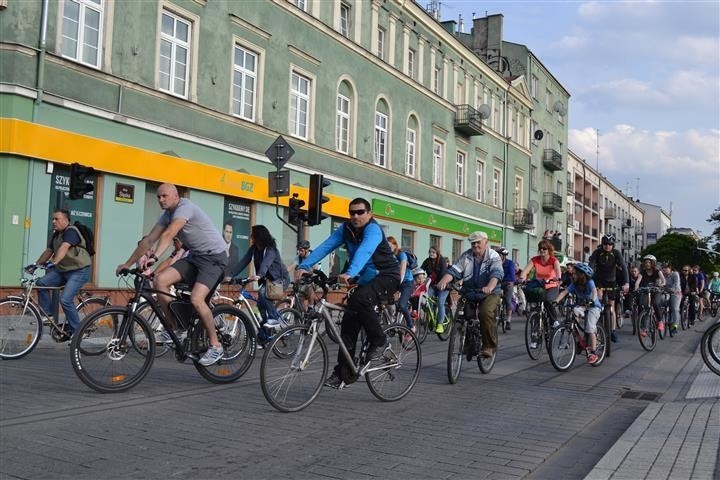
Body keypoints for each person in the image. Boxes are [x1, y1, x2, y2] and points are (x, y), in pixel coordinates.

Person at [116, 183, 228, 367]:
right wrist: (127, 264)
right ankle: (177, 328)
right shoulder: (166, 214)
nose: (160, 199)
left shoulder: (186, 208)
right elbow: (149, 240)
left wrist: (154, 257)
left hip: (214, 258)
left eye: (164, 196)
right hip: (195, 257)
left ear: (176, 196)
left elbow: (169, 234)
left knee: (197, 299)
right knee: (160, 280)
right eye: (158, 197)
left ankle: (216, 346)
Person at [296, 198, 400, 389]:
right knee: (348, 322)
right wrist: (304, 265)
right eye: (352, 212)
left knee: (360, 299)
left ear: (369, 214)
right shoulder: (346, 229)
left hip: (387, 276)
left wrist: (350, 273)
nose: (355, 216)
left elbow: (365, 251)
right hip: (366, 278)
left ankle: (380, 340)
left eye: (360, 212)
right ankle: (344, 373)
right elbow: (327, 246)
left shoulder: (373, 230)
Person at [25, 208, 92, 339]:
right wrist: (36, 265)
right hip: (63, 270)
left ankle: (77, 333)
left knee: (65, 299)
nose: (53, 221)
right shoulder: (56, 234)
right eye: (53, 219)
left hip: (79, 271)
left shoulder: (71, 231)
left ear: (66, 220)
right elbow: (49, 251)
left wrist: (54, 262)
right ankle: (48, 316)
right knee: (41, 283)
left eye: (57, 219)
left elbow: (64, 247)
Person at [436, 231, 503, 358]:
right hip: (470, 291)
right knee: (463, 315)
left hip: (490, 292)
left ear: (486, 242)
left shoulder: (493, 256)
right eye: (473, 243)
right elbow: (455, 270)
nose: (475, 245)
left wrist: (490, 286)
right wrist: (443, 281)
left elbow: (497, 273)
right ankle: (467, 342)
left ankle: (488, 345)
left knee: (485, 312)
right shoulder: (466, 256)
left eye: (478, 242)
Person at [230, 225, 288, 328]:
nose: (251, 236)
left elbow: (266, 263)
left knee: (262, 293)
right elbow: (244, 261)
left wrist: (259, 275)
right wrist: (230, 275)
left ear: (259, 236)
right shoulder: (254, 249)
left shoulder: (270, 249)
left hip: (279, 280)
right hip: (267, 281)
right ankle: (264, 337)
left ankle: (274, 319)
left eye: (252, 234)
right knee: (259, 309)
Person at [554, 263, 602, 365]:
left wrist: (592, 301)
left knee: (589, 327)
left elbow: (594, 292)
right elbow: (564, 292)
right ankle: (579, 339)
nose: (573, 275)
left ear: (582, 275)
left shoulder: (590, 282)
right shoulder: (574, 284)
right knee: (573, 312)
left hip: (594, 307)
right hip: (583, 306)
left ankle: (593, 353)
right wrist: (556, 301)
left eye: (575, 273)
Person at [588, 233, 629, 343]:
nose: (607, 246)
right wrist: (588, 278)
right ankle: (597, 324)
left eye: (610, 244)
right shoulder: (597, 253)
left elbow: (624, 268)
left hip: (611, 282)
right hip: (599, 281)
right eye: (605, 244)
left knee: (611, 308)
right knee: (599, 302)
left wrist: (626, 283)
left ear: (613, 245)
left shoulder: (616, 253)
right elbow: (591, 266)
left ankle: (613, 331)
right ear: (602, 244)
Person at [519, 239, 562, 330]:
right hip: (539, 284)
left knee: (548, 300)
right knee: (534, 303)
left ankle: (554, 321)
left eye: (544, 248)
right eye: (540, 248)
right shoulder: (535, 259)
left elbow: (558, 271)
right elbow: (526, 270)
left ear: (549, 250)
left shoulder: (553, 260)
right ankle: (535, 329)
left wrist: (557, 278)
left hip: (552, 285)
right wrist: (522, 278)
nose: (542, 250)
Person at [388, 236, 415, 333]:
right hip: (394, 281)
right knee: (384, 300)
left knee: (402, 305)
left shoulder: (401, 254)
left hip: (407, 282)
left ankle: (411, 325)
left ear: (395, 245)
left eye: (389, 246)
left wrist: (398, 283)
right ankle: (390, 321)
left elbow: (402, 270)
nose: (388, 248)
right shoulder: (388, 255)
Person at [421, 246, 449, 333]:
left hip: (443, 286)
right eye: (430, 252)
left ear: (437, 253)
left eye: (433, 252)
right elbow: (421, 270)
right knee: (425, 300)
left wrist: (439, 284)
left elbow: (444, 274)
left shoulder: (442, 261)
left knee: (440, 302)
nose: (431, 254)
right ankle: (430, 318)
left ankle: (440, 324)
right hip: (433, 286)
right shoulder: (427, 261)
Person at [637, 254, 666, 333]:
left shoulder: (657, 272)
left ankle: (660, 321)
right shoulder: (642, 272)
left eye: (649, 262)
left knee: (656, 304)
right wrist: (636, 288)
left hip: (656, 291)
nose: (647, 264)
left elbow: (663, 280)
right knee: (645, 307)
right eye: (646, 262)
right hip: (647, 292)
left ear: (653, 263)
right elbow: (637, 282)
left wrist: (662, 284)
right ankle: (644, 328)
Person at [497, 247, 516, 331]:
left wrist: (507, 282)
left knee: (508, 300)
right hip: (497, 283)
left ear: (504, 256)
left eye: (499, 255)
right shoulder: (495, 263)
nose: (498, 256)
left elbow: (512, 275)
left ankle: (508, 320)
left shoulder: (510, 263)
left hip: (508, 283)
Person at [661, 262, 681, 332]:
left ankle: (675, 325)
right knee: (660, 304)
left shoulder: (675, 274)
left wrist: (671, 289)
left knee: (675, 308)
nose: (664, 270)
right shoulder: (662, 275)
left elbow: (676, 284)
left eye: (666, 268)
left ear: (670, 268)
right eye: (663, 268)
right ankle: (661, 321)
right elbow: (659, 283)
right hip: (666, 293)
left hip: (676, 293)